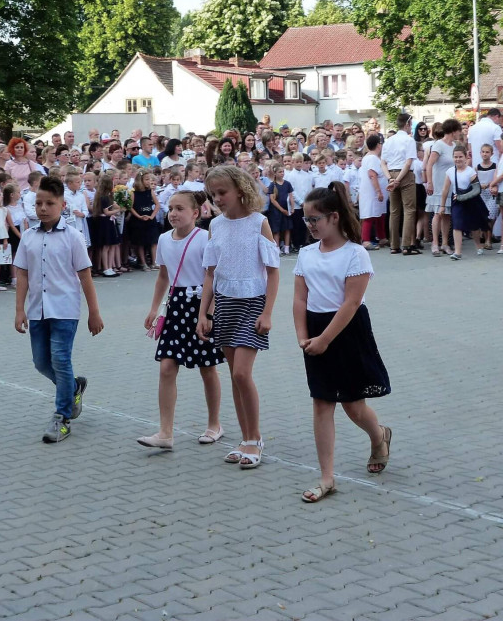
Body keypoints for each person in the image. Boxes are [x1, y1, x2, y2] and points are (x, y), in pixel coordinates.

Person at [293, 184, 390, 503]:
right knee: (322, 403)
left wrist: (324, 339)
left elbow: (351, 303)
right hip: (316, 330)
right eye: (305, 220)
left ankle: (379, 436)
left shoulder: (355, 253)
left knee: (353, 405)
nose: (309, 225)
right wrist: (303, 335)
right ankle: (327, 477)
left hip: (347, 330)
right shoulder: (306, 254)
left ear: (334, 217)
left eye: (314, 219)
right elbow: (299, 298)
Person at [197, 166, 280, 470]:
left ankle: (255, 438)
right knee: (234, 375)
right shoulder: (216, 226)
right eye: (213, 194)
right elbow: (209, 273)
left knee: (242, 374)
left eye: (222, 192)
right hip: (225, 305)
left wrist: (268, 312)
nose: (217, 198)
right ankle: (244, 437)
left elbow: (273, 272)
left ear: (241, 190)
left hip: (253, 304)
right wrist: (204, 312)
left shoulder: (259, 223)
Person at [13, 176, 103, 443]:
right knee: (41, 362)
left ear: (62, 205)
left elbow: (85, 275)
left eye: (49, 203)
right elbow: (23, 276)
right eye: (38, 203)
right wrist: (19, 310)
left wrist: (94, 312)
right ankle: (73, 387)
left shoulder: (73, 237)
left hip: (64, 310)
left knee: (61, 360)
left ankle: (61, 417)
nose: (42, 208)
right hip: (37, 310)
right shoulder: (28, 236)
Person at [138, 190, 226, 450]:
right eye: (170, 208)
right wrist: (154, 309)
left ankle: (214, 424)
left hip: (201, 304)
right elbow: (163, 276)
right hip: (176, 306)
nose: (173, 213)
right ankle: (165, 432)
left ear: (195, 213)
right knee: (166, 367)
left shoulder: (205, 239)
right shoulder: (164, 239)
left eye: (180, 209)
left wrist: (207, 313)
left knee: (207, 367)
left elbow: (213, 276)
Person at [381, 113, 418, 255]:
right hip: (405, 175)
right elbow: (408, 162)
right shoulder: (409, 141)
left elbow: (383, 162)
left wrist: (390, 178)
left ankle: (394, 245)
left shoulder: (389, 141)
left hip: (391, 173)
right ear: (407, 124)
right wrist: (398, 180)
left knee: (394, 211)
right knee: (409, 210)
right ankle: (406, 245)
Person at [424, 119, 460, 256]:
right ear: (453, 131)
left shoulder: (455, 145)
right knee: (438, 213)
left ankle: (445, 243)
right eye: (458, 131)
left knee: (447, 215)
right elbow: (429, 164)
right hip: (438, 183)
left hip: (450, 184)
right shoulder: (439, 144)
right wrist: (430, 182)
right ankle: (435, 243)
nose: (459, 133)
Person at [359, 134, 389, 250]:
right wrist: (378, 191)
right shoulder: (371, 158)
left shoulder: (372, 157)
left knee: (380, 215)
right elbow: (372, 175)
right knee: (370, 215)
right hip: (371, 193)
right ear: (378, 145)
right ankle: (366, 240)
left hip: (376, 193)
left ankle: (382, 237)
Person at [128, 170, 160, 270]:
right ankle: (143, 262)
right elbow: (131, 206)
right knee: (140, 243)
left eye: (149, 179)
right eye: (146, 179)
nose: (148, 182)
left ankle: (154, 262)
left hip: (150, 219)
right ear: (140, 180)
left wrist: (152, 216)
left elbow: (157, 204)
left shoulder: (150, 191)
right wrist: (138, 216)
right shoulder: (134, 193)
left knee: (153, 241)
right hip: (139, 220)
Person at [266, 163, 294, 255]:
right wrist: (282, 210)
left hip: (287, 209)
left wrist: (292, 208)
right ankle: (277, 248)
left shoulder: (287, 184)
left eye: (283, 171)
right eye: (280, 172)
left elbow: (291, 196)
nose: (282, 173)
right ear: (275, 173)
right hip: (276, 211)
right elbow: (273, 200)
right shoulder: (272, 185)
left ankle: (287, 248)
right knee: (276, 230)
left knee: (287, 229)